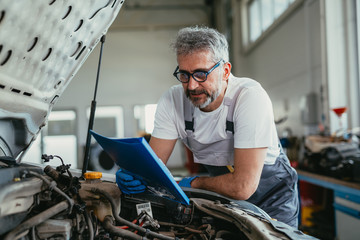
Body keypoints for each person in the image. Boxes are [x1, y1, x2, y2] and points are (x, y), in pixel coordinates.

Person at [116, 26, 299, 228]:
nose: (192, 86)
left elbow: (242, 186)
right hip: (225, 198)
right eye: (184, 75)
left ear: (225, 71)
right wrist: (135, 174)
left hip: (272, 200)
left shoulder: (249, 97)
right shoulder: (173, 101)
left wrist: (194, 183)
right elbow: (152, 169)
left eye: (201, 74)